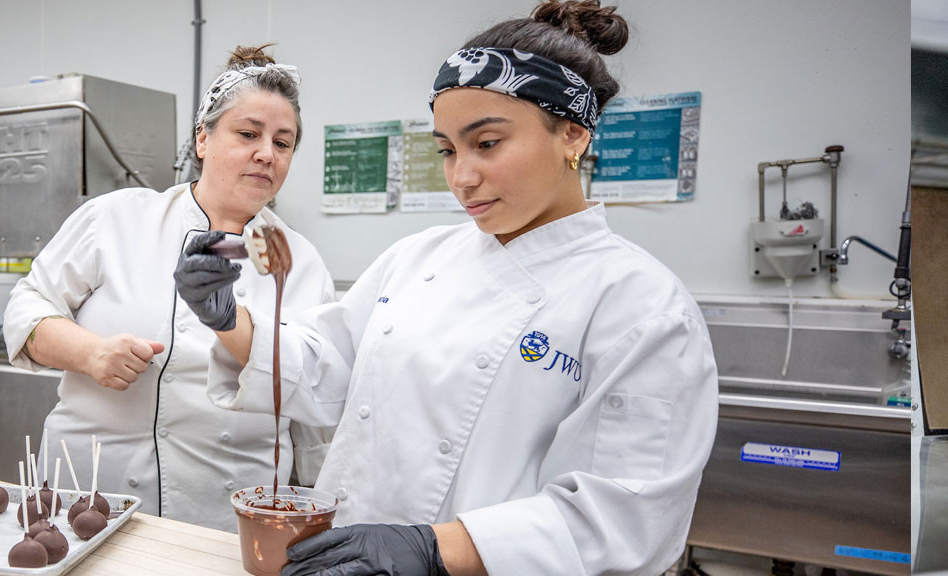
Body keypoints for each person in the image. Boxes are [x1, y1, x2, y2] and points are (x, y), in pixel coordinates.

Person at [178, 1, 718, 574]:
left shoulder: (642, 306)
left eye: (486, 143)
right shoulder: (419, 257)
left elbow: (624, 519)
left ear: (573, 136)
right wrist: (226, 317)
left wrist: (433, 549)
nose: (462, 176)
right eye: (447, 149)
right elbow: (329, 366)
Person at [3, 44, 336, 532]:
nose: (266, 153)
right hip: (93, 491)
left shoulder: (297, 261)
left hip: (225, 511)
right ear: (203, 139)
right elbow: (26, 308)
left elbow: (316, 393)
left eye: (283, 143)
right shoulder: (118, 218)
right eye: (248, 134)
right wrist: (90, 354)